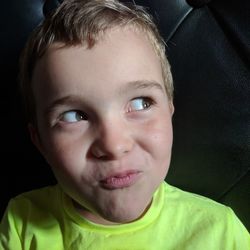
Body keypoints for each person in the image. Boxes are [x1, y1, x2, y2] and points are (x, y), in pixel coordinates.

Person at [0, 0, 249, 249]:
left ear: (169, 110)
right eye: (74, 116)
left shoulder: (221, 233)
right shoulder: (21, 224)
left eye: (141, 103)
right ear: (40, 141)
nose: (114, 145)